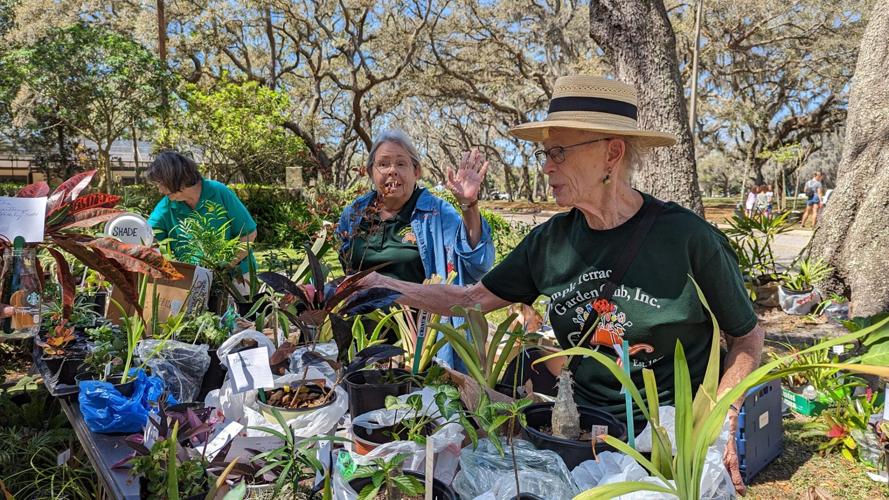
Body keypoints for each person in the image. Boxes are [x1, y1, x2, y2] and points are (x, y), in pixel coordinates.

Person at [359, 76, 764, 494]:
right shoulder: (549, 242)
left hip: (669, 442)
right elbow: (473, 300)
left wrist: (725, 415)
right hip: (579, 431)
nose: (547, 166)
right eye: (545, 154)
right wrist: (378, 284)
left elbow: (747, 335)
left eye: (559, 153)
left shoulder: (687, 239)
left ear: (612, 153)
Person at [337, 129, 495, 368]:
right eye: (383, 164)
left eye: (401, 163)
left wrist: (469, 205)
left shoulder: (436, 212)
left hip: (419, 343)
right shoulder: (355, 212)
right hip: (362, 337)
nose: (392, 170)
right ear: (371, 172)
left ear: (416, 172)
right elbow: (347, 266)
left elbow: (478, 263)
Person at [146, 151, 258, 280]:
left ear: (176, 178)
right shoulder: (167, 205)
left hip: (237, 276)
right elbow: (148, 237)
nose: (160, 190)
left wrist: (224, 268)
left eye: (161, 184)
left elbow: (249, 234)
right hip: (193, 279)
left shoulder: (219, 192)